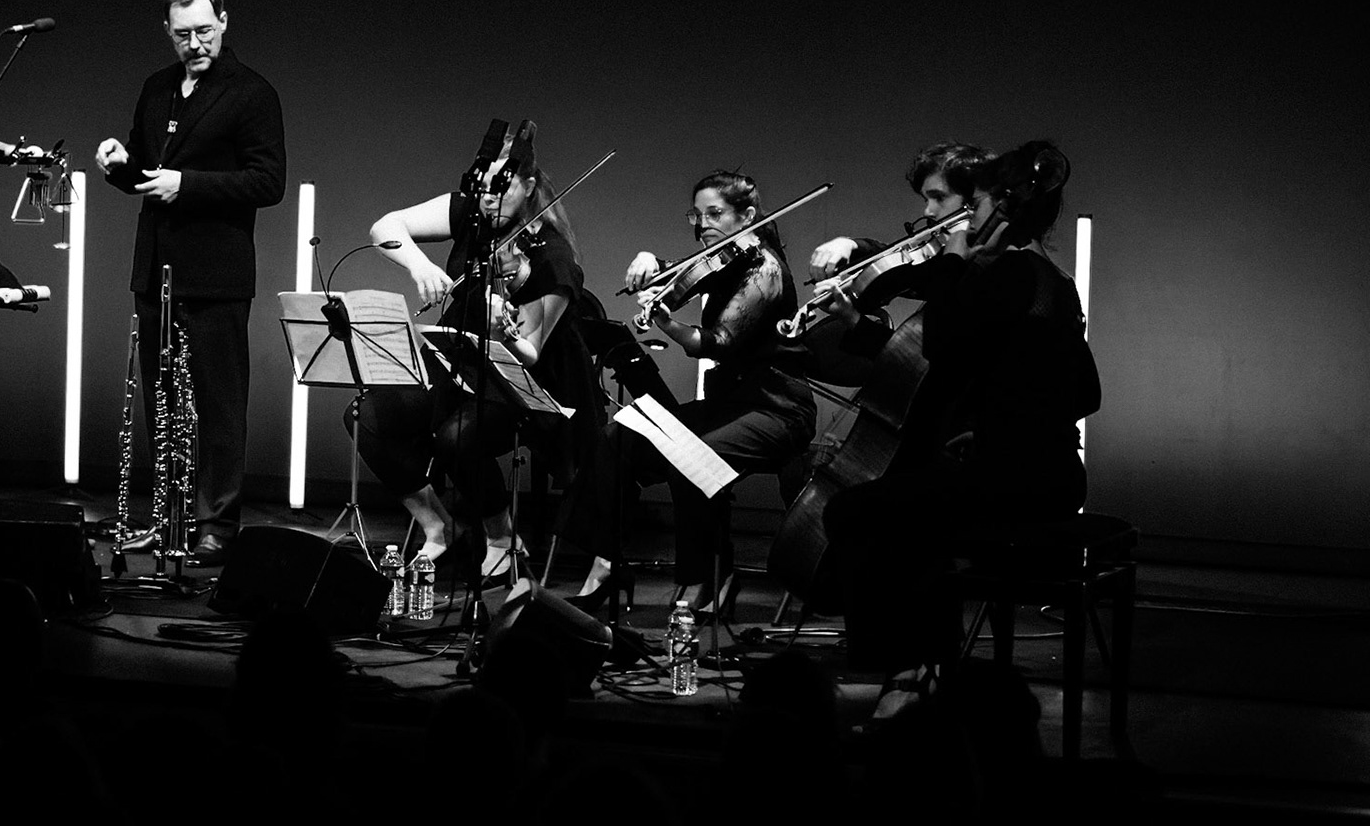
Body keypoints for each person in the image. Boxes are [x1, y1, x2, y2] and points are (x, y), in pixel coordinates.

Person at [815, 140, 1101, 710]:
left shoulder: (1005, 274)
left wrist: (952, 260)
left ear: (1001, 209)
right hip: (1055, 476)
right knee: (911, 505)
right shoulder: (1053, 279)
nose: (968, 215)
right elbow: (1086, 393)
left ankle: (905, 673)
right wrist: (998, 427)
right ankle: (926, 668)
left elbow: (942, 343)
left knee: (855, 511)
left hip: (1013, 484)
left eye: (979, 203)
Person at [349, 124, 600, 584]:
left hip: (523, 381)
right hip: (459, 359)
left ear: (528, 186)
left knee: (457, 438)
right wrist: (420, 266)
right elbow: (385, 226)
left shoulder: (552, 258)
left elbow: (530, 352)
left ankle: (502, 538)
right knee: (368, 416)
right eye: (482, 188)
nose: (488, 200)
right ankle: (440, 527)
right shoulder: (471, 213)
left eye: (501, 190)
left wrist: (501, 328)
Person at [561, 170, 817, 612]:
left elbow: (715, 343)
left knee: (690, 459)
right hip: (728, 403)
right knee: (620, 434)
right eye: (697, 215)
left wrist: (667, 323)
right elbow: (678, 272)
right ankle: (605, 566)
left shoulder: (765, 269)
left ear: (747, 216)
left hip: (777, 409)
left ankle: (712, 577)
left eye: (714, 213)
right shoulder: (727, 260)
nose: (703, 225)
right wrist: (649, 260)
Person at [94, 0, 286, 564]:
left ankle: (217, 526)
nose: (195, 43)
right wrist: (118, 165)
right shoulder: (156, 87)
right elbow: (146, 171)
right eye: (183, 34)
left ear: (224, 22)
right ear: (168, 32)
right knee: (162, 403)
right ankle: (168, 518)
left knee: (219, 405)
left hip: (216, 271)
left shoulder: (252, 92)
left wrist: (189, 185)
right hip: (156, 267)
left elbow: (268, 182)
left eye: (204, 30)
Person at [807, 140, 993, 282]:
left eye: (939, 197)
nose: (928, 211)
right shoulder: (945, 259)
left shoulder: (995, 268)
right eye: (926, 200)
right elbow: (896, 262)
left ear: (975, 198)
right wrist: (850, 245)